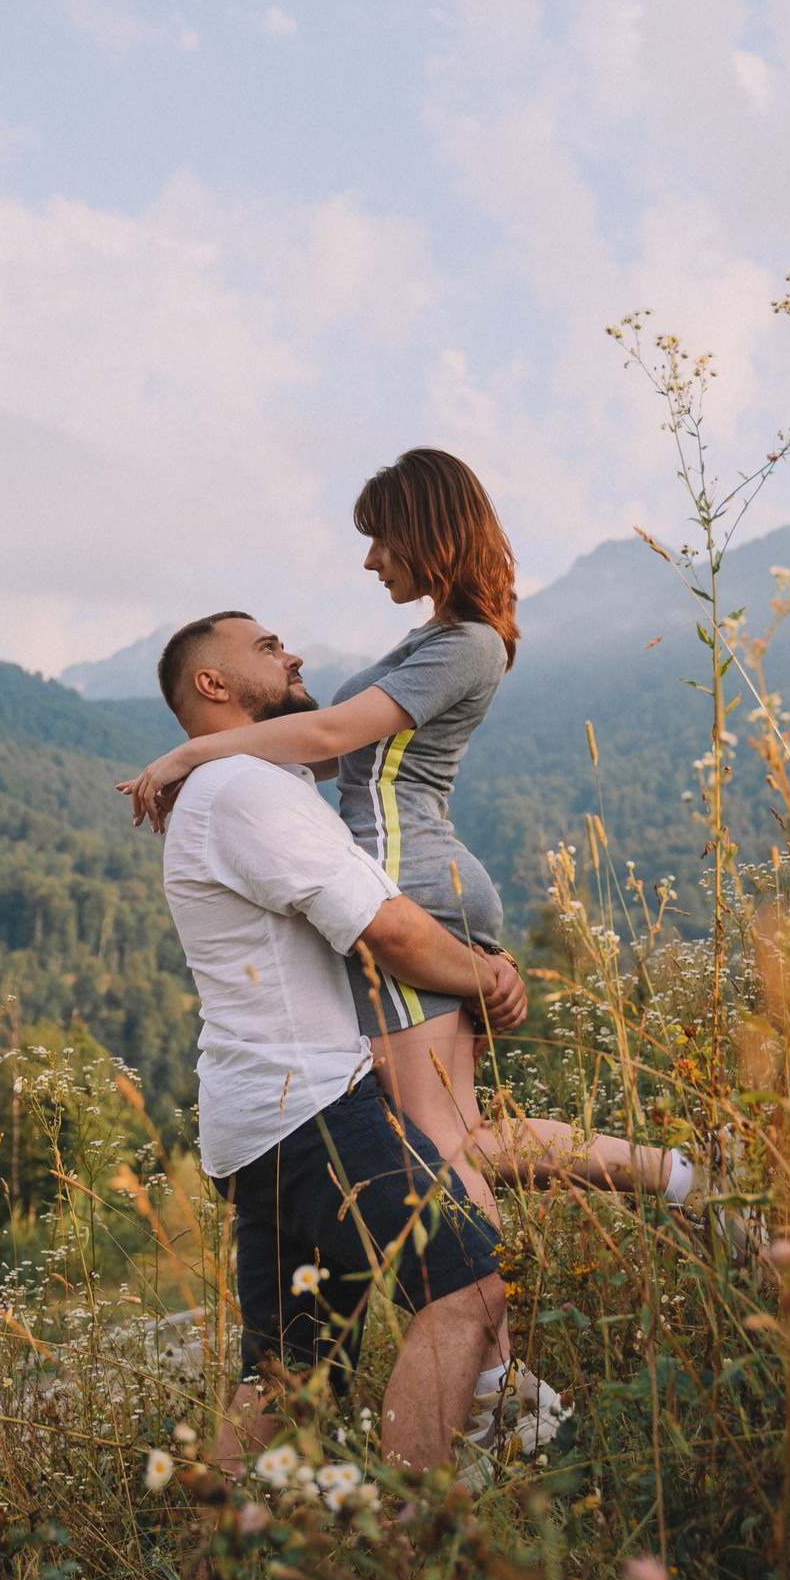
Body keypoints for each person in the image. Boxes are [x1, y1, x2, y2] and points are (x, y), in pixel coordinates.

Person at [121, 450, 694, 1229]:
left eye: (383, 539)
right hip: (419, 874)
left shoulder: (465, 644)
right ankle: (684, 1180)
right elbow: (324, 753)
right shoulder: (435, 639)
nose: (370, 560)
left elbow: (325, 730)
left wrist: (186, 752)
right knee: (456, 1139)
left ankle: (489, 1337)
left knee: (440, 1152)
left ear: (427, 531)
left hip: (404, 879)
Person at [148, 608, 525, 1478]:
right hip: (313, 1105)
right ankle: (412, 1553)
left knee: (287, 1377)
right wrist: (486, 977)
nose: (292, 655)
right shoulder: (245, 791)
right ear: (213, 683)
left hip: (263, 1121)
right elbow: (385, 930)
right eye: (267, 648)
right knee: (465, 1291)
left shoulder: (244, 784)